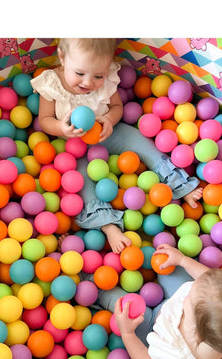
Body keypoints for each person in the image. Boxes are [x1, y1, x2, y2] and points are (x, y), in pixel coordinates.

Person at [31, 38, 203, 254]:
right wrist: (62, 128)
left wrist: (110, 121)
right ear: (63, 58)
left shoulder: (107, 78)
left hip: (107, 133)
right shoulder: (52, 83)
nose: (88, 83)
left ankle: (180, 186)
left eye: (98, 76)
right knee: (79, 180)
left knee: (140, 142)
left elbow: (117, 107)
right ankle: (109, 226)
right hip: (73, 146)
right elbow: (45, 120)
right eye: (80, 73)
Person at [113, 243, 222, 359]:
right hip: (173, 306)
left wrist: (128, 334)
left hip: (153, 328)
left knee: (119, 305)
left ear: (198, 332)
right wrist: (182, 260)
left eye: (189, 300)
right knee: (166, 266)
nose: (187, 294)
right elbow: (208, 278)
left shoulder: (175, 357)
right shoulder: (221, 307)